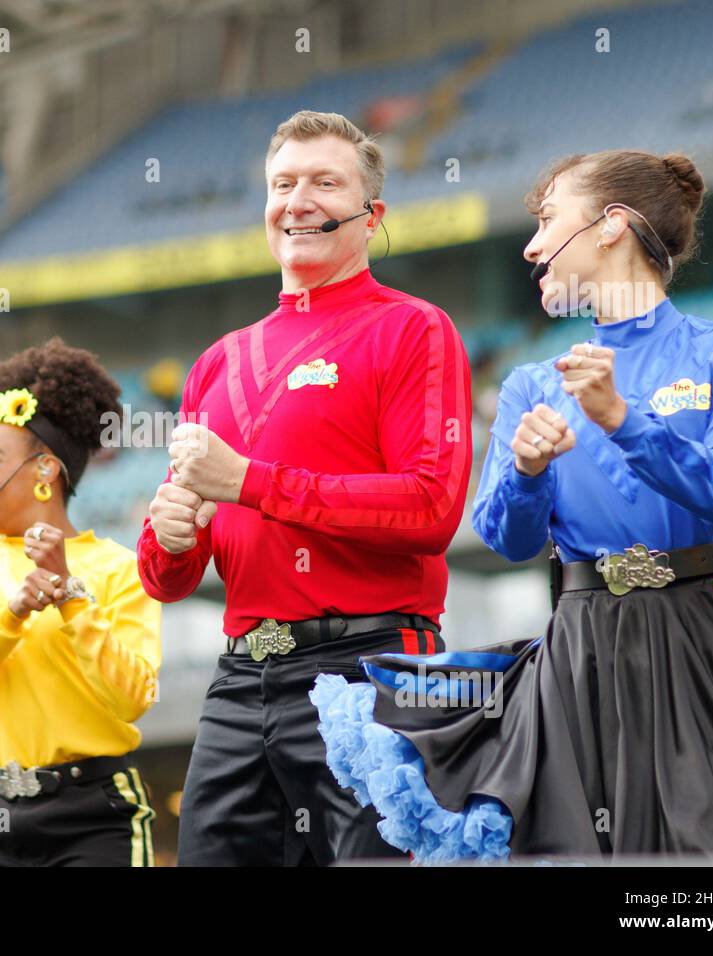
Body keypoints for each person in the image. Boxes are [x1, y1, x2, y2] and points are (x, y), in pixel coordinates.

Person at [314, 149, 713, 861]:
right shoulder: (531, 383)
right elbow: (506, 539)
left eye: (547, 219)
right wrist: (526, 469)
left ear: (612, 226)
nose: (532, 244)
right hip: (582, 653)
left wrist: (620, 418)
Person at [137, 110, 474, 866]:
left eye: (325, 182)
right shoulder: (217, 361)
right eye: (282, 183)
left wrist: (250, 482)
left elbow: (429, 510)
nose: (299, 200)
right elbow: (166, 578)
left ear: (370, 213)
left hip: (373, 665)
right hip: (239, 679)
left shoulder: (415, 329)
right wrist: (171, 535)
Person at [0, 338, 162, 867]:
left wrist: (71, 595)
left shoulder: (120, 567)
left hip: (94, 815)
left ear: (45, 470)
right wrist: (11, 613)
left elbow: (133, 699)